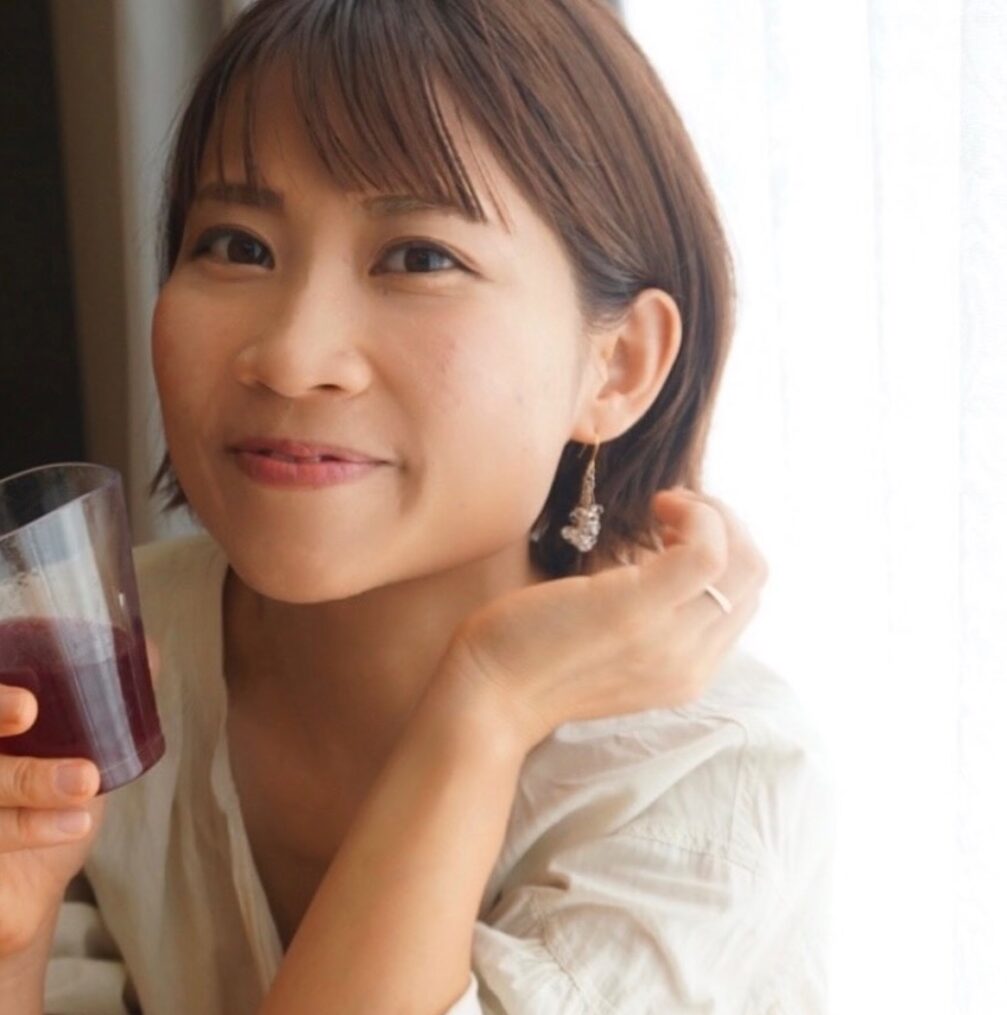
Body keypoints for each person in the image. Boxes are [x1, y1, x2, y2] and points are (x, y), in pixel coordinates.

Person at [0, 1, 834, 1012]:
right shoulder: (81, 661)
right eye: (237, 245)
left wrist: (487, 703)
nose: (292, 355)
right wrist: (14, 941)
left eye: (420, 258)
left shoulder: (700, 778)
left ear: (616, 365)